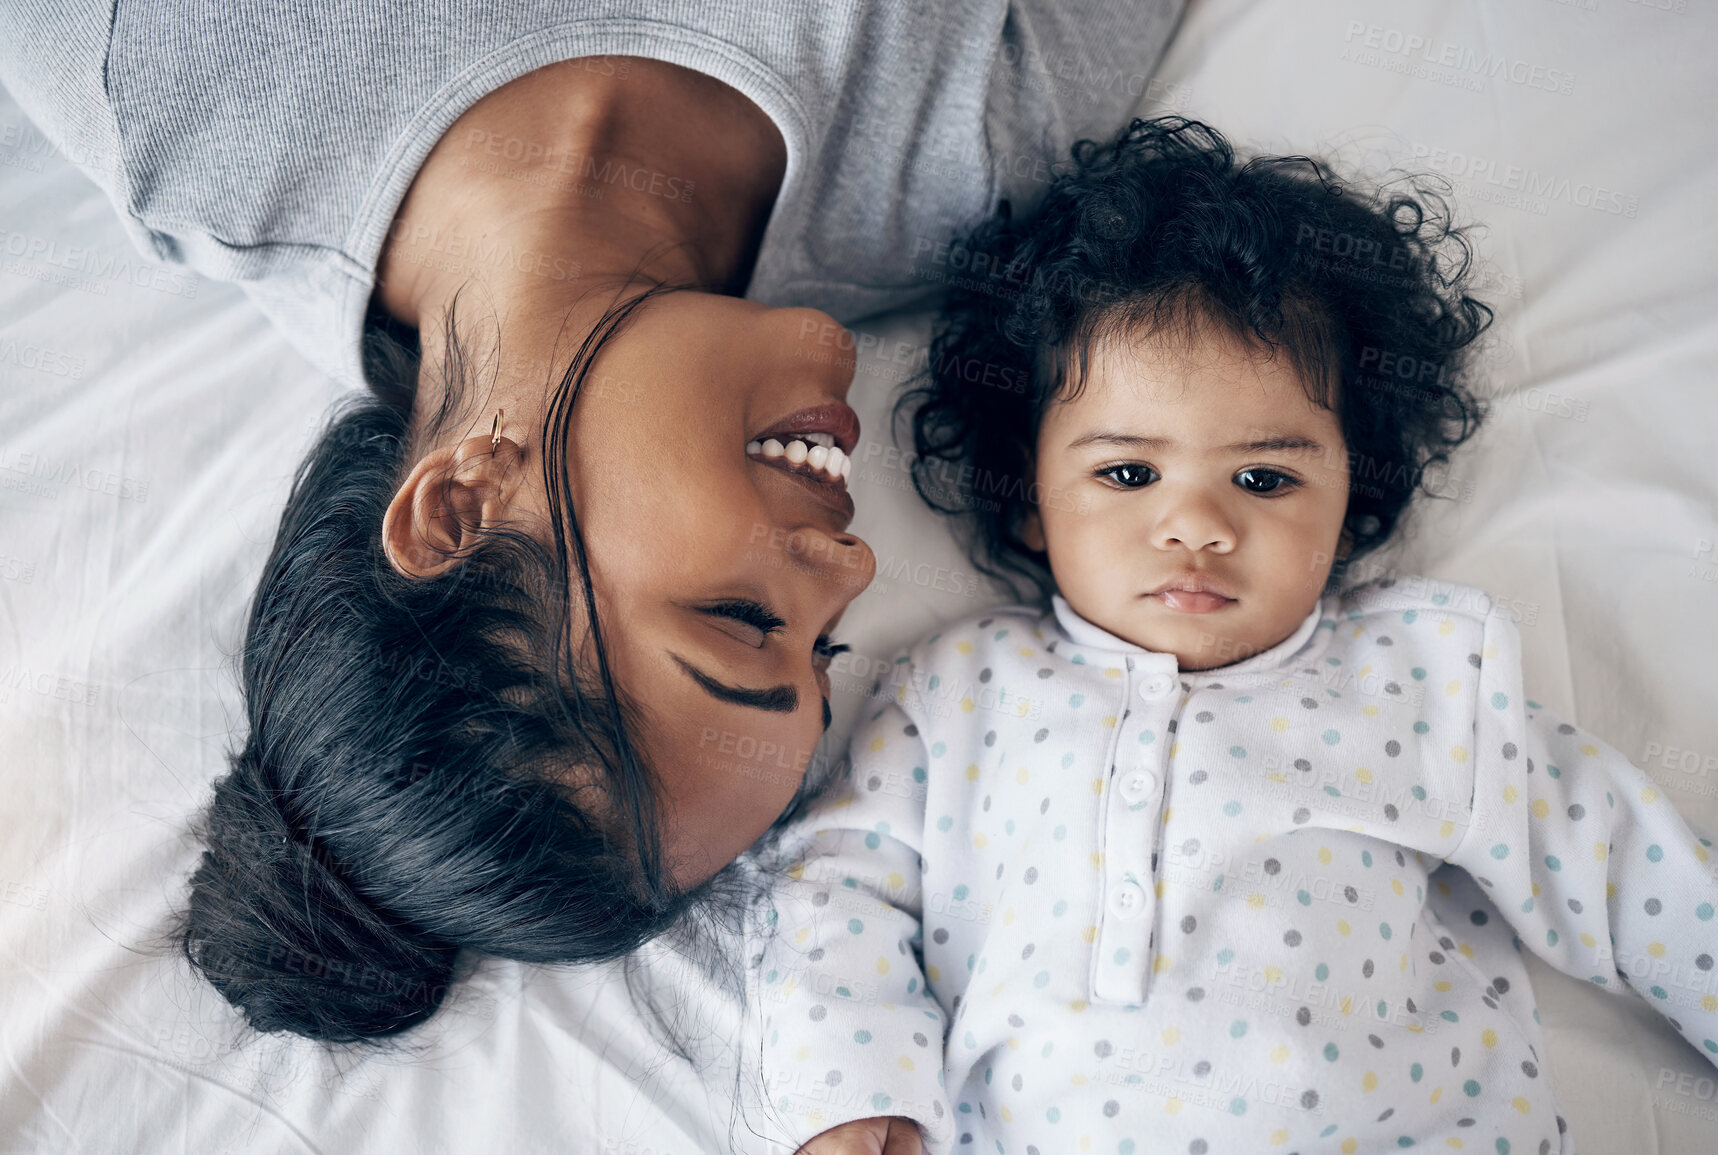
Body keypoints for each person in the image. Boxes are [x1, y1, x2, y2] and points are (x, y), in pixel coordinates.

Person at [0, 2, 1186, 1041]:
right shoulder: (977, 142)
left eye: (739, 621)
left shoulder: (164, 80)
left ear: (461, 507)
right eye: (817, 651)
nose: (853, 566)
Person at [752, 118, 1718, 1155]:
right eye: (1127, 475)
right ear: (1030, 497)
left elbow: (1631, 871)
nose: (1198, 525)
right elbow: (838, 886)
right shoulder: (958, 690)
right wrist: (856, 1092)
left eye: (1265, 480)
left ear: (1353, 504)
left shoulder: (1418, 683)